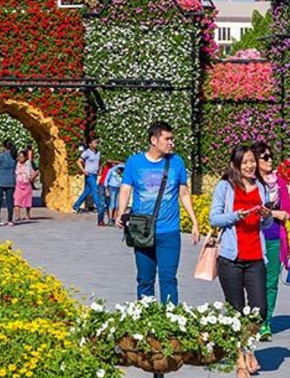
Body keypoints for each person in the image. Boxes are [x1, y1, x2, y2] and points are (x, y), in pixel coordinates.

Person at [117, 121, 201, 304]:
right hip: (142, 228)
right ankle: (146, 319)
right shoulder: (134, 162)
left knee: (168, 278)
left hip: (169, 231)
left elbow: (184, 193)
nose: (171, 143)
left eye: (172, 139)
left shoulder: (176, 162)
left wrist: (194, 222)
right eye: (167, 139)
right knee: (145, 279)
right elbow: (125, 189)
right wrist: (120, 212)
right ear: (154, 140)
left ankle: (170, 320)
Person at [208, 144, 271, 378]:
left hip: (256, 256)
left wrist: (265, 218)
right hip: (231, 258)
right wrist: (237, 216)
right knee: (236, 310)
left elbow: (265, 225)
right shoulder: (225, 187)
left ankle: (248, 347)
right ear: (235, 164)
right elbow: (214, 218)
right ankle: (240, 359)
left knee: (259, 310)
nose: (250, 165)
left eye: (252, 161)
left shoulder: (260, 188)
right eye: (245, 162)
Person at [254, 140, 290, 341]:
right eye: (265, 157)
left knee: (270, 283)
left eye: (271, 156)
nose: (270, 160)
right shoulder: (249, 183)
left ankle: (265, 323)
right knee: (254, 282)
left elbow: (289, 209)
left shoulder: (278, 183)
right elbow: (249, 209)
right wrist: (275, 213)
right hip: (253, 238)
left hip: (273, 238)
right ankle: (251, 319)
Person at [73, 138, 103, 224]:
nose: (96, 144)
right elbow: (79, 161)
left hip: (94, 174)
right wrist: (83, 170)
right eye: (94, 143)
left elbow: (99, 162)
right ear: (90, 144)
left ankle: (76, 206)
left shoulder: (98, 153)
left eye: (97, 143)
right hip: (89, 174)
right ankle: (99, 207)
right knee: (95, 191)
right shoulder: (86, 152)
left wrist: (99, 170)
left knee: (87, 191)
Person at [0, 140, 18, 227]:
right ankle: (10, 220)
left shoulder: (1, 156)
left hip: (0, 181)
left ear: (4, 147)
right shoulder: (14, 157)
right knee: (10, 201)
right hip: (10, 181)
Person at [14, 148, 37, 222]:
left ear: (25, 157)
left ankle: (28, 214)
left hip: (27, 184)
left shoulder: (29, 164)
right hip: (18, 183)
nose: (20, 158)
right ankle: (18, 216)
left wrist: (32, 177)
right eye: (19, 157)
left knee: (27, 200)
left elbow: (37, 170)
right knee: (17, 200)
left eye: (21, 157)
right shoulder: (16, 163)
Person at [104, 159, 126, 224]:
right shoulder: (112, 170)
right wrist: (106, 189)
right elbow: (106, 180)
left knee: (117, 204)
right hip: (112, 187)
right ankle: (110, 219)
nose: (120, 171)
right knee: (112, 204)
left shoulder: (123, 171)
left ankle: (115, 218)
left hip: (119, 187)